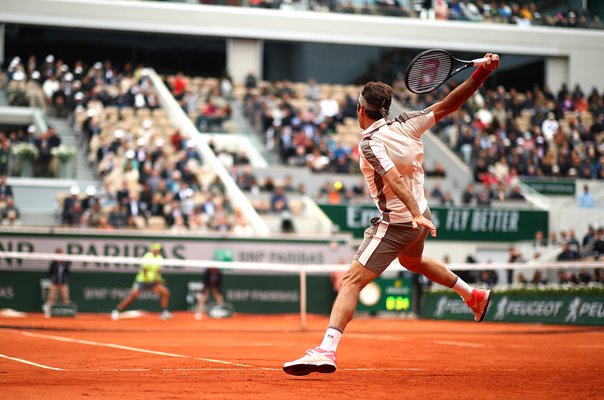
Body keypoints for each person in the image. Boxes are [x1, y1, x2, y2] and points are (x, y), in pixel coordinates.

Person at [283, 53, 500, 376]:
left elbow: (393, 179)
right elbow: (449, 104)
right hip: (419, 221)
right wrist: (482, 73)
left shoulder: (370, 143)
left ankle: (326, 350)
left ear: (361, 110)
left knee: (351, 281)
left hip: (401, 223)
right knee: (412, 262)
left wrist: (413, 213)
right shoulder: (408, 123)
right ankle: (473, 294)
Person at [111, 243, 172, 320]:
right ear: (152, 249)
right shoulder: (147, 256)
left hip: (152, 282)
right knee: (132, 297)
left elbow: (157, 271)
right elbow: (144, 270)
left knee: (165, 292)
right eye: (155, 249)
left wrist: (159, 280)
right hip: (142, 281)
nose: (157, 250)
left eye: (158, 249)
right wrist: (148, 279)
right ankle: (116, 311)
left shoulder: (159, 258)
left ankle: (164, 313)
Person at [43, 247, 70, 316]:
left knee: (65, 298)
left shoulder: (65, 264)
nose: (59, 256)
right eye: (57, 254)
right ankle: (48, 311)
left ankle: (66, 313)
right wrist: (53, 279)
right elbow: (50, 273)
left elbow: (67, 273)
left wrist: (64, 280)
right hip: (54, 284)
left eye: (60, 254)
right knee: (51, 298)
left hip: (63, 284)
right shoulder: (53, 264)